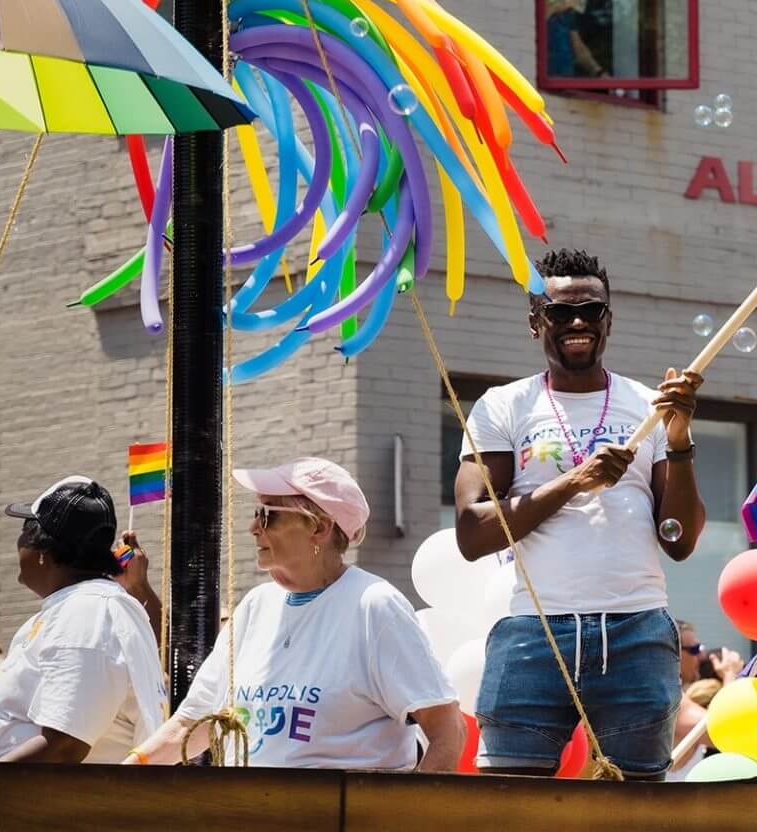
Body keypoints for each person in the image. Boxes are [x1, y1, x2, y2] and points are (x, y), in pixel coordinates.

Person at [455, 247, 706, 780]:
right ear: (534, 322)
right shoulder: (503, 407)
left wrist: (679, 440)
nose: (577, 322)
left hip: (637, 629)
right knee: (507, 808)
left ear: (608, 321)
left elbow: (680, 540)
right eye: (559, 311)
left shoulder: (648, 407)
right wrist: (574, 482)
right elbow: (472, 533)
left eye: (591, 311)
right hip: (533, 633)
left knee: (637, 810)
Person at [127, 458, 464, 770]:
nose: (253, 527)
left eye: (267, 514)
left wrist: (404, 818)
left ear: (319, 528)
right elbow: (191, 722)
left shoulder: (374, 605)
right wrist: (124, 774)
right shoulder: (254, 607)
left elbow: (448, 730)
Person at [0, 477, 165, 763]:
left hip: (47, 805)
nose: (17, 543)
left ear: (42, 549)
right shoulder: (75, 607)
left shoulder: (88, 613)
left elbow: (66, 745)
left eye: (24, 531)